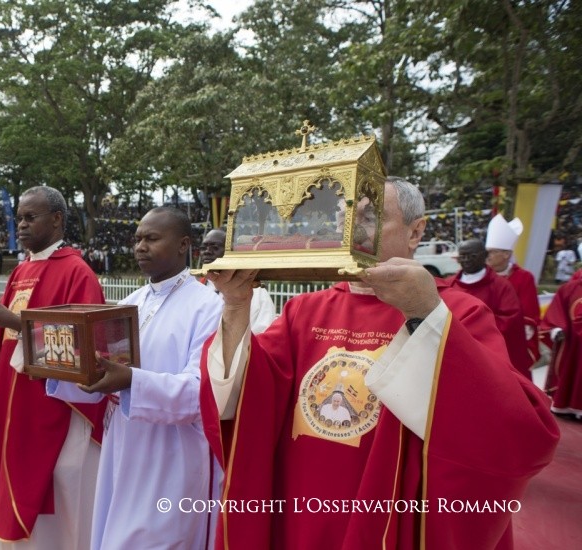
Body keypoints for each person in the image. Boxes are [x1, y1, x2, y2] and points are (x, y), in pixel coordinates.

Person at [201, 177, 558, 549]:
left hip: (389, 512)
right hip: (300, 505)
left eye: (369, 217)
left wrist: (424, 315)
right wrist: (236, 306)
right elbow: (242, 402)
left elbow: (513, 431)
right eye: (343, 217)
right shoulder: (303, 311)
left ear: (415, 232)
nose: (351, 229)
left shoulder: (457, 313)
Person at [47, 207, 223, 549]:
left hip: (172, 452)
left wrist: (130, 381)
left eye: (152, 239)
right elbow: (101, 375)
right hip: (123, 444)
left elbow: (201, 392)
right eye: (138, 239)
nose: (140, 247)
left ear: (184, 244)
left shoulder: (208, 307)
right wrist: (58, 368)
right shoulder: (129, 303)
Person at [0, 185, 107, 548]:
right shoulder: (23, 270)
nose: (21, 225)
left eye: (30, 217)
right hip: (14, 409)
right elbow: (4, 341)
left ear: (56, 220)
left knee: (60, 504)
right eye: (19, 218)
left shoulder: (77, 273)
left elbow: (86, 346)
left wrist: (12, 322)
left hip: (52, 410)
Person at [448, 238, 533, 378]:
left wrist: (472, 328)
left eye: (472, 256)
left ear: (484, 256)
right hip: (458, 352)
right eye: (463, 256)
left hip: (490, 354)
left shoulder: (501, 286)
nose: (467, 260)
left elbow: (510, 320)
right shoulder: (449, 285)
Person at [485, 214, 541, 366]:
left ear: (506, 254)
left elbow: (529, 312)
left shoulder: (524, 277)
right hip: (484, 339)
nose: (487, 256)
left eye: (492, 252)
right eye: (487, 251)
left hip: (514, 339)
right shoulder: (482, 277)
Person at [200, 228, 276, 333]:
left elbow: (264, 333)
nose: (207, 252)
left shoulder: (256, 292)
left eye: (214, 247)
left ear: (231, 251)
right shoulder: (196, 289)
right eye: (204, 248)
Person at [540, 272, 582, 419]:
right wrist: (557, 328)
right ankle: (565, 407)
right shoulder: (570, 288)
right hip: (572, 344)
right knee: (570, 371)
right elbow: (557, 310)